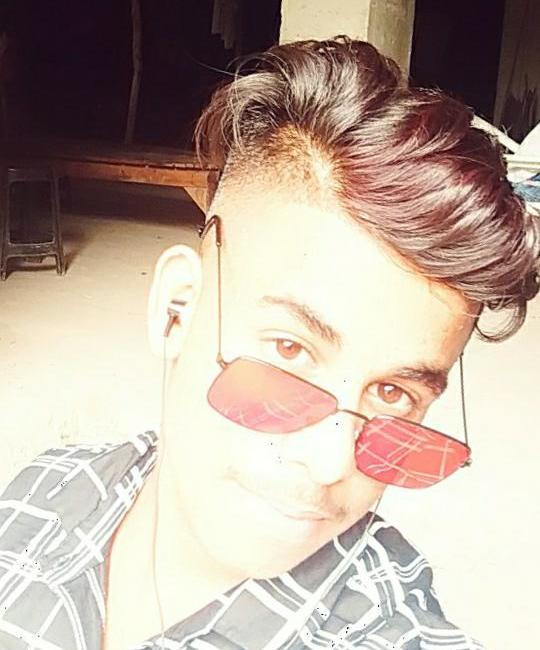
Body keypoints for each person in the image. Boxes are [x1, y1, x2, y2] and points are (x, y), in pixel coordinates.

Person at [0, 37, 538, 650]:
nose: (332, 463)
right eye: (289, 351)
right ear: (176, 312)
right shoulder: (45, 490)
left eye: (392, 393)